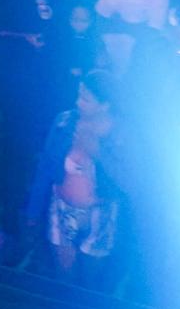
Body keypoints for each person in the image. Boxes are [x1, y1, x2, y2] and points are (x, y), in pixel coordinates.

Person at [26, 69, 123, 286]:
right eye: (79, 95)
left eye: (86, 99)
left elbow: (127, 181)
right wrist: (33, 210)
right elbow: (45, 168)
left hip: (100, 216)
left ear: (105, 105)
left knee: (91, 282)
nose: (78, 103)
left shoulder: (120, 134)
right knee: (64, 278)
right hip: (62, 210)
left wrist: (98, 152)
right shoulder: (64, 122)